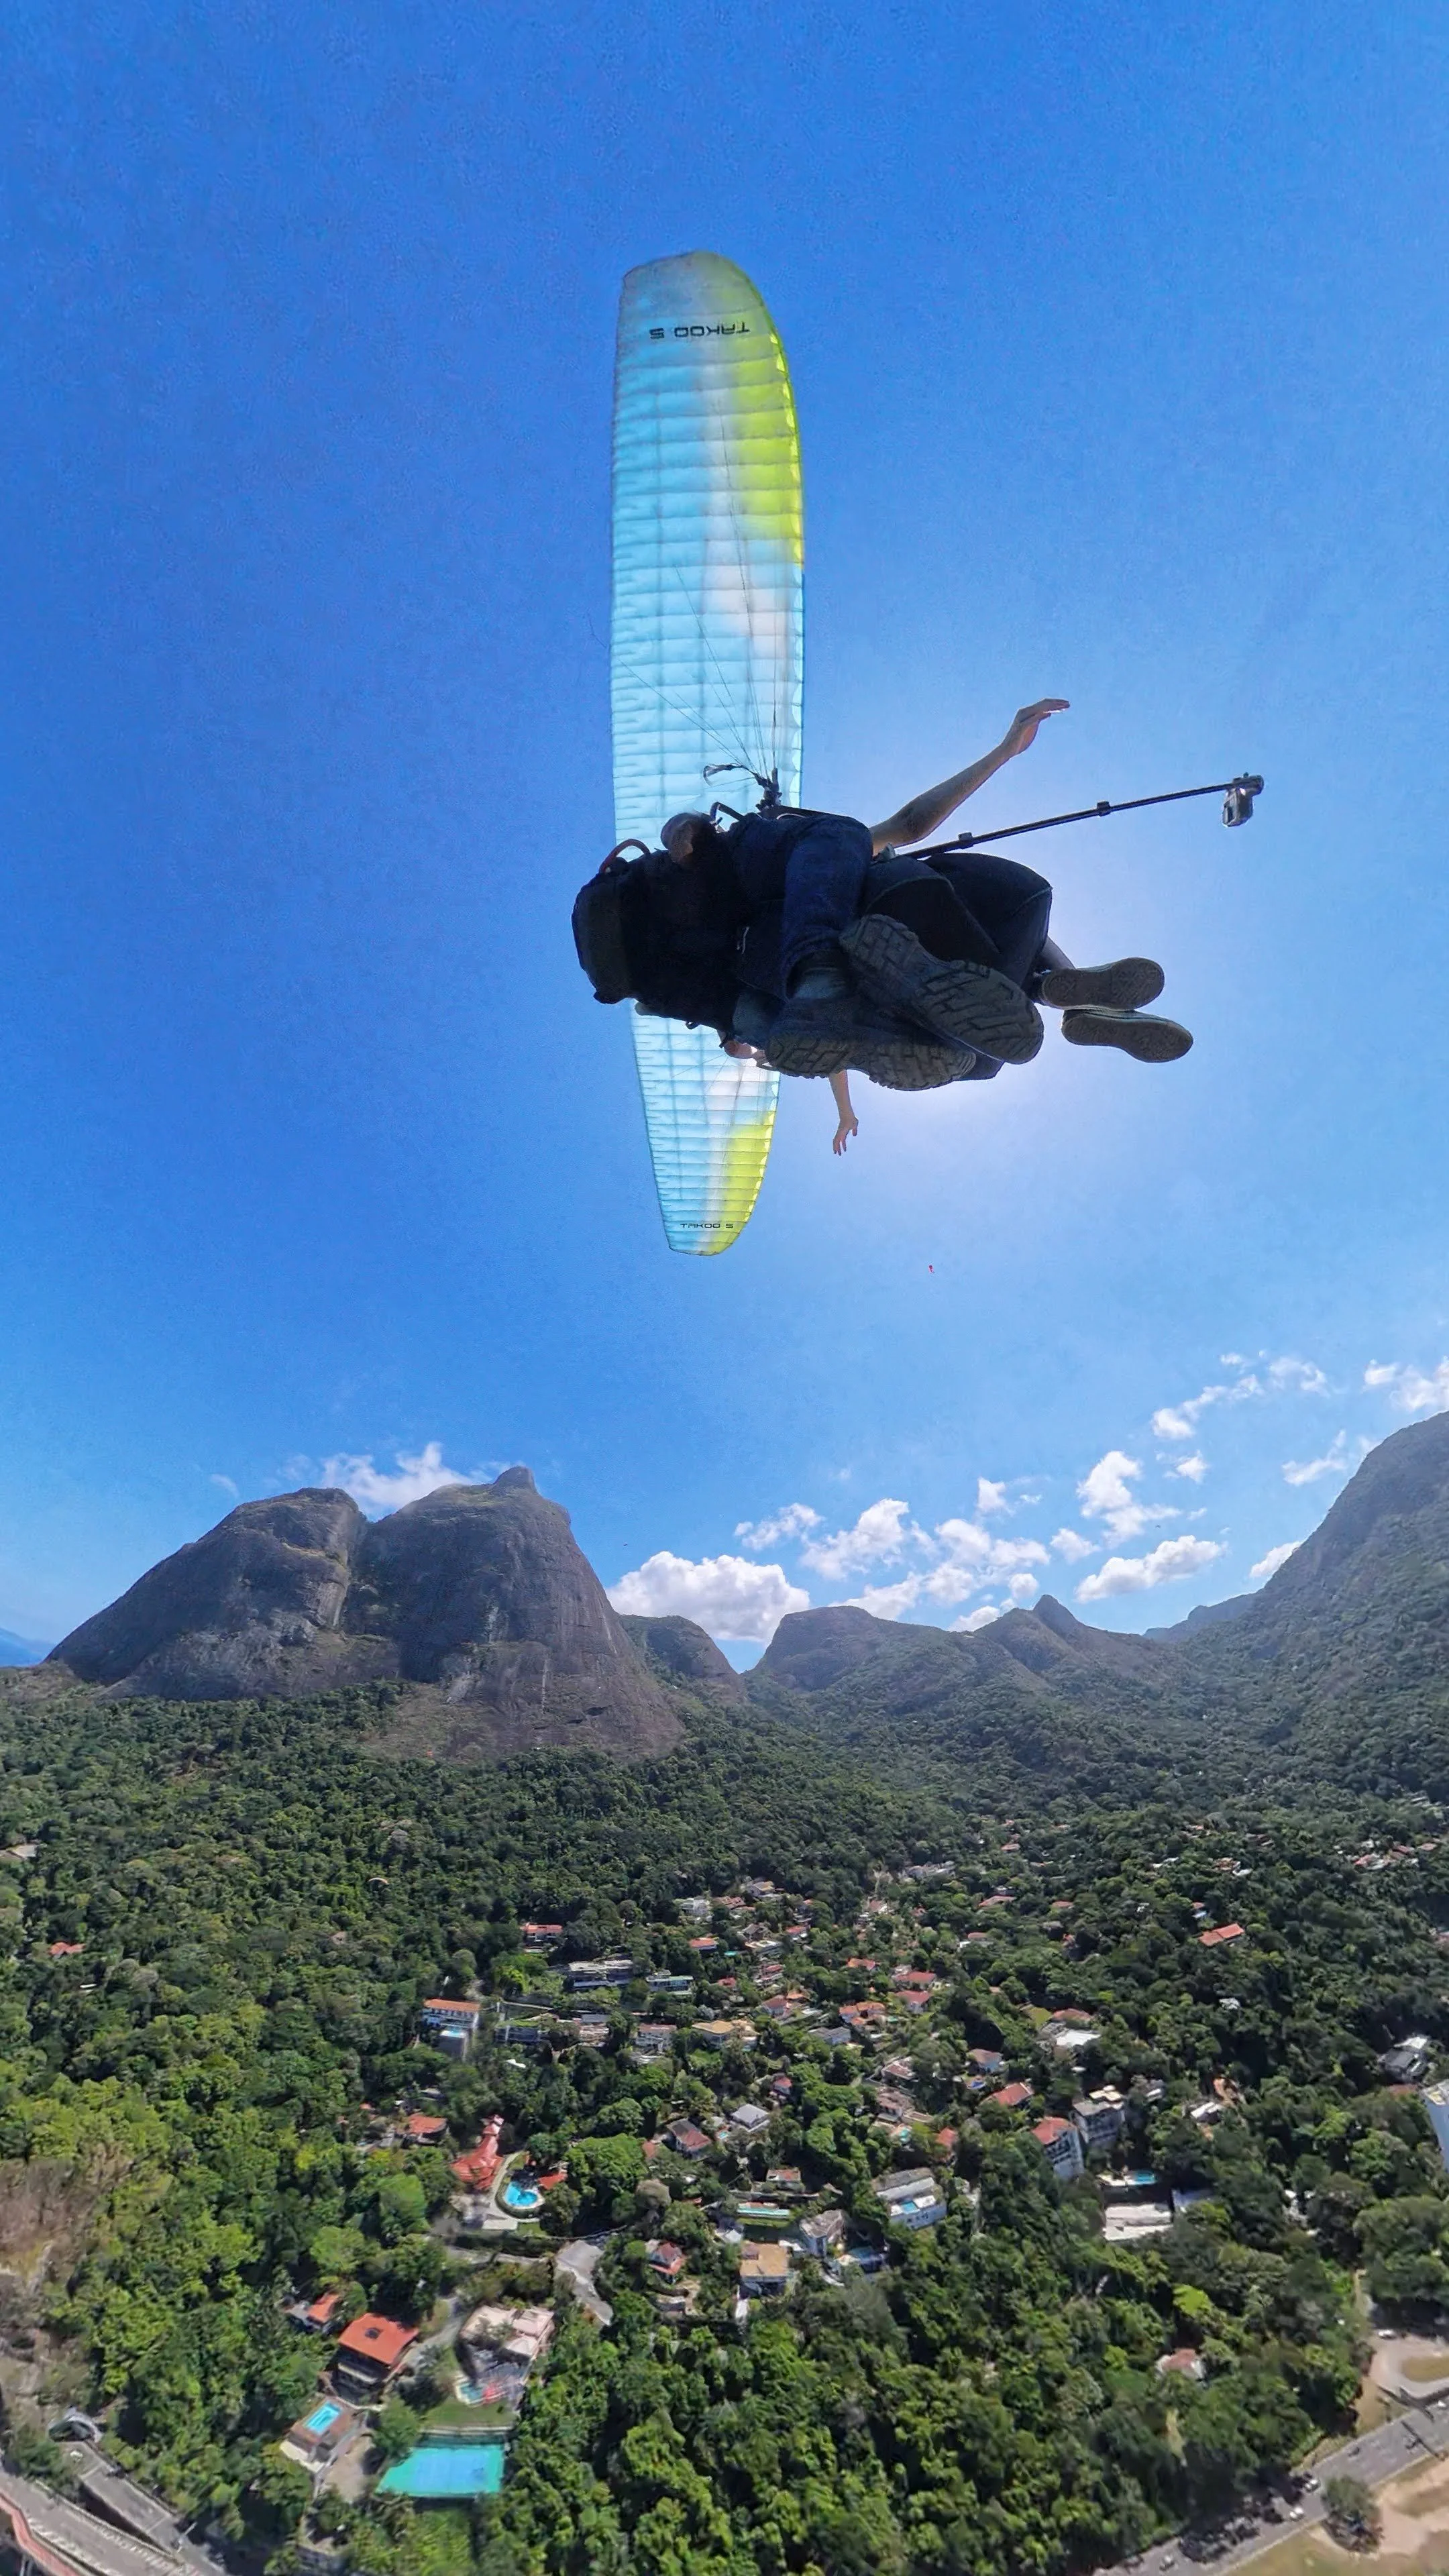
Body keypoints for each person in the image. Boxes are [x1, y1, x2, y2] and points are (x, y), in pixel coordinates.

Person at [571, 702, 1193, 1137]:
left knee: (977, 1055)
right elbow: (912, 823)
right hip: (891, 927)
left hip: (791, 998)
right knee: (988, 889)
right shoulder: (777, 856)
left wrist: (829, 1096)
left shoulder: (690, 982)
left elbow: (820, 1041)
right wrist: (1003, 752)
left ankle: (1056, 993)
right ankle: (1061, 992)